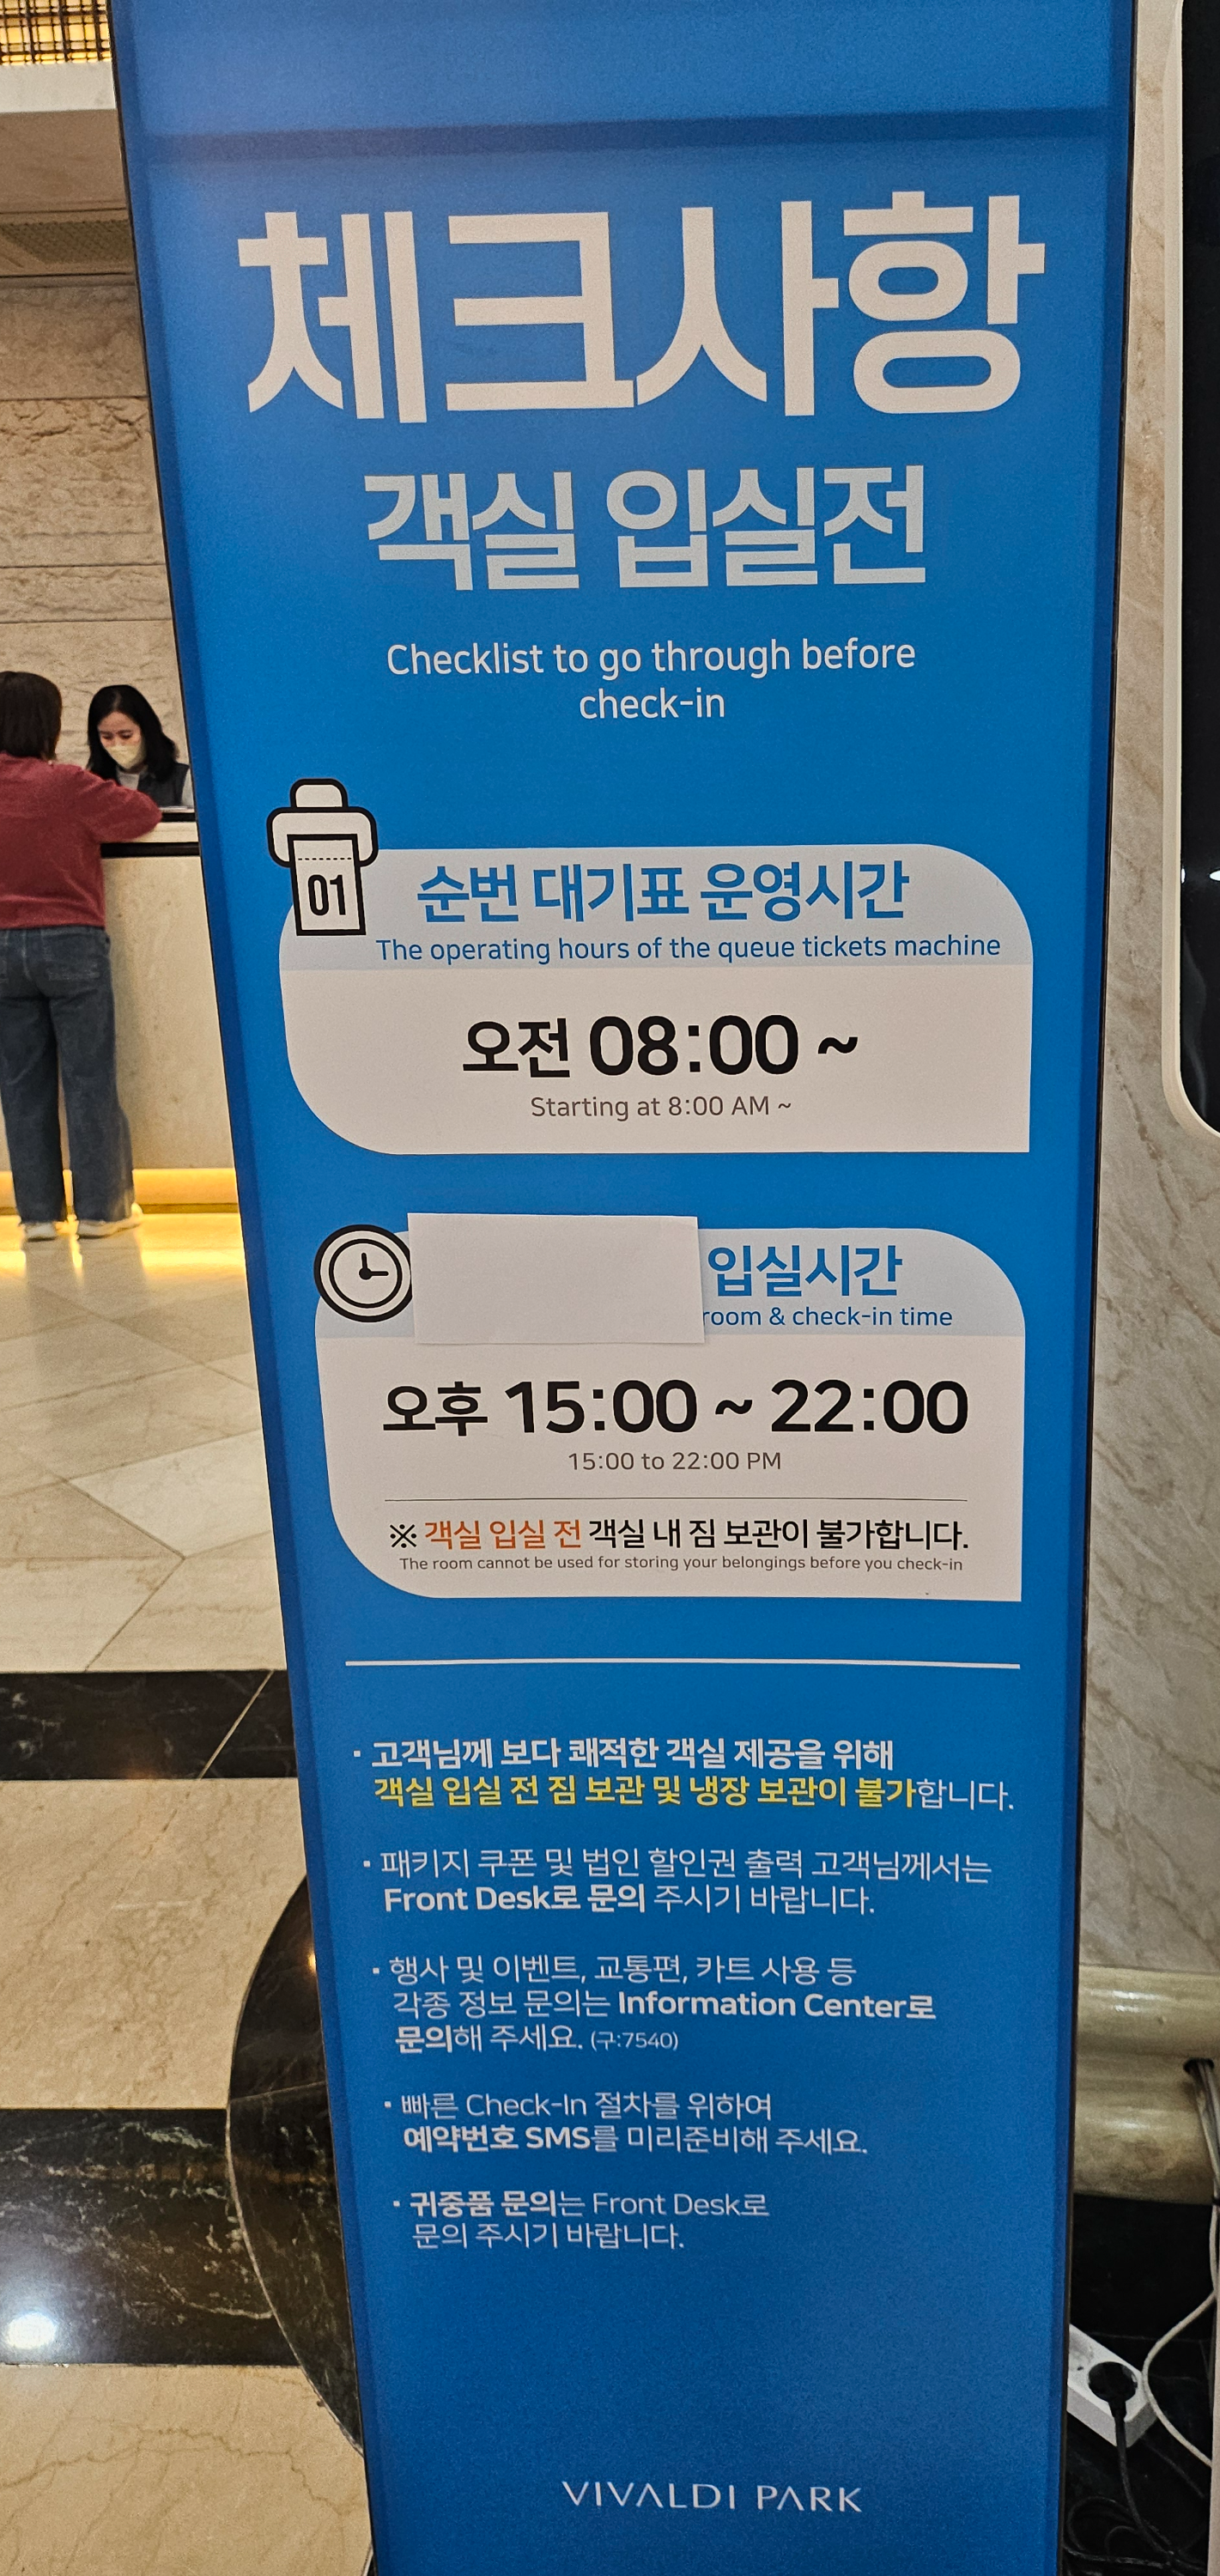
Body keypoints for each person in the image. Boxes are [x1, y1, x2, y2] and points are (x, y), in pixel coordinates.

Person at [0, 669, 160, 1243]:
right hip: (71, 940)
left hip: (1, 948)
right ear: (47, 724)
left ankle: (38, 1216)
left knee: (20, 1085)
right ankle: (101, 1210)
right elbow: (144, 814)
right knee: (89, 1078)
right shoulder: (66, 783)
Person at [87, 683, 192, 810]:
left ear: (146, 731)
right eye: (107, 737)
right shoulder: (92, 786)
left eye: (126, 736)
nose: (117, 744)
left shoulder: (183, 779)